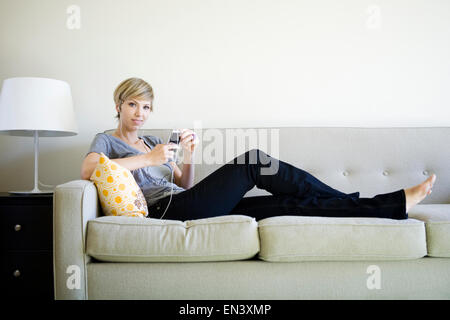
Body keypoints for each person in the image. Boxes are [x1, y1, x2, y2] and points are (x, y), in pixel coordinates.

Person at [81, 77, 437, 221]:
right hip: (163, 210)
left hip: (183, 200)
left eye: (146, 108)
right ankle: (372, 201)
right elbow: (89, 171)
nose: (140, 114)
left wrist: (187, 157)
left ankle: (388, 206)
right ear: (119, 106)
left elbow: (186, 186)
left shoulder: (155, 142)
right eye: (132, 105)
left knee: (286, 206)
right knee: (254, 162)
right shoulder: (106, 140)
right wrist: (148, 159)